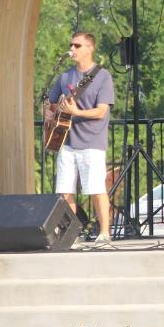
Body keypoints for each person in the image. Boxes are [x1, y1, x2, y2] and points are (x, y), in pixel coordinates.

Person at [48, 32, 115, 247]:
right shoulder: (65, 76)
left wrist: (77, 112)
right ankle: (71, 234)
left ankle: (104, 233)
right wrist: (51, 113)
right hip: (66, 140)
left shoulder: (102, 76)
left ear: (90, 48)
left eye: (77, 45)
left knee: (96, 189)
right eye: (71, 45)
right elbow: (49, 103)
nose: (72, 49)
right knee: (65, 190)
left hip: (92, 142)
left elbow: (101, 112)